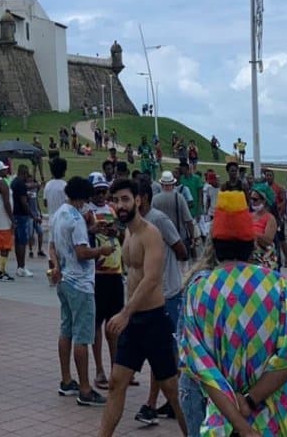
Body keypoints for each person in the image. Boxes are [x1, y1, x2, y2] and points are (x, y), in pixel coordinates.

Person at [179, 191, 287, 437]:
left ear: (215, 246)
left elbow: (201, 366)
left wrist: (241, 426)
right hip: (278, 418)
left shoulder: (199, 290)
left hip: (224, 421)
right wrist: (250, 401)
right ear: (250, 244)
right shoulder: (278, 285)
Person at [97, 178, 185, 437]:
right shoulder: (127, 232)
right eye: (116, 200)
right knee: (116, 383)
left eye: (125, 199)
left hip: (154, 320)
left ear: (138, 200)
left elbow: (151, 278)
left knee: (171, 389)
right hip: (134, 323)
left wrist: (125, 312)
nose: (120, 205)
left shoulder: (151, 233)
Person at [52, 176, 112, 407]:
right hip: (80, 282)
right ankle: (85, 389)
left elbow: (53, 245)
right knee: (82, 335)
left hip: (64, 280)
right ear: (83, 197)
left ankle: (67, 379)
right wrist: (102, 250)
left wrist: (91, 229)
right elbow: (82, 253)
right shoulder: (76, 219)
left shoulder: (59, 214)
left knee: (66, 329)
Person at [86, 172, 124, 391]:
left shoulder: (112, 210)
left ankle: (116, 369)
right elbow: (84, 237)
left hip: (115, 271)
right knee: (97, 325)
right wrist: (95, 229)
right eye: (97, 191)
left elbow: (120, 235)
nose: (101, 195)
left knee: (115, 325)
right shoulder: (87, 213)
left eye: (104, 191)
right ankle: (100, 369)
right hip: (97, 274)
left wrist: (115, 231)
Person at [10, 164, 35, 277]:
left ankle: (19, 266)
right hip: (21, 215)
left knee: (17, 241)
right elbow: (24, 202)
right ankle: (22, 266)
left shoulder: (14, 182)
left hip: (15, 213)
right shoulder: (21, 184)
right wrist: (33, 215)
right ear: (23, 173)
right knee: (22, 242)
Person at [248, 183, 279, 270]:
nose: (252, 202)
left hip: (262, 257)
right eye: (251, 199)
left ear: (264, 200)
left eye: (255, 199)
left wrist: (251, 233)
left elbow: (268, 241)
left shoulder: (270, 218)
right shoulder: (248, 216)